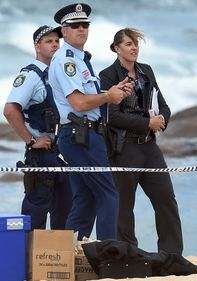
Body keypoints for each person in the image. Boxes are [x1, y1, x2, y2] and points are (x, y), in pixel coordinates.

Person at [48, 3, 133, 240]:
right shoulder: (67, 61)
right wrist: (108, 96)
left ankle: (67, 256)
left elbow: (88, 100)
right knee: (108, 194)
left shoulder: (80, 59)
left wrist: (113, 91)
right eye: (75, 26)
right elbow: (79, 103)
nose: (81, 29)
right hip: (80, 135)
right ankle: (109, 254)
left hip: (82, 135)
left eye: (85, 25)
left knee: (86, 199)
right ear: (63, 31)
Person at [99, 28, 183, 255]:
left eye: (135, 43)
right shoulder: (107, 76)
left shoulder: (146, 71)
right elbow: (112, 117)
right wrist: (147, 123)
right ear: (117, 49)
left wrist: (162, 119)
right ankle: (127, 255)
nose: (134, 47)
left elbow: (163, 105)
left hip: (149, 146)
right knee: (124, 207)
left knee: (166, 199)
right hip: (123, 148)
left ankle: (171, 254)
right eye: (128, 44)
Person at [4, 25, 72, 230]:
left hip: (61, 153)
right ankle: (30, 260)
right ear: (37, 47)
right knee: (36, 214)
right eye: (48, 41)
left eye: (56, 41)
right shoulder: (31, 76)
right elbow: (10, 110)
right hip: (40, 155)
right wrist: (31, 141)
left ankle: (57, 260)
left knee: (64, 213)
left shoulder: (58, 74)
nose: (54, 44)